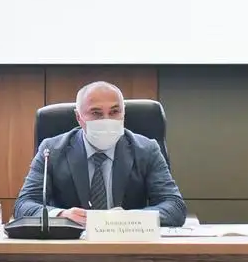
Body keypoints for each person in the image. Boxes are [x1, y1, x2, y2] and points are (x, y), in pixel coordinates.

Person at [13, 81, 186, 227]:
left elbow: (174, 206)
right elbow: (24, 205)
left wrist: (130, 219)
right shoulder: (52, 150)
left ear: (124, 113)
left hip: (129, 244)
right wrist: (61, 216)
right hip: (71, 248)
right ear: (79, 117)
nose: (106, 120)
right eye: (96, 113)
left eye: (114, 112)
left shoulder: (146, 149)